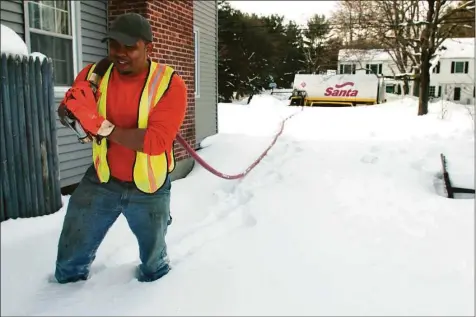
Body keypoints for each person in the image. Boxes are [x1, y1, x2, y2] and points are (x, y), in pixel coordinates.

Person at [54, 13, 187, 283]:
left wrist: (102, 127)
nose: (120, 53)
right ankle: (62, 297)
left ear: (148, 48)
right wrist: (72, 116)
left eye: (129, 46)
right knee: (70, 257)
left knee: (153, 264)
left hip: (149, 187)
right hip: (102, 179)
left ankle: (156, 296)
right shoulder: (94, 74)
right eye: (114, 44)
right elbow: (68, 111)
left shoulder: (169, 84)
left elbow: (156, 141)